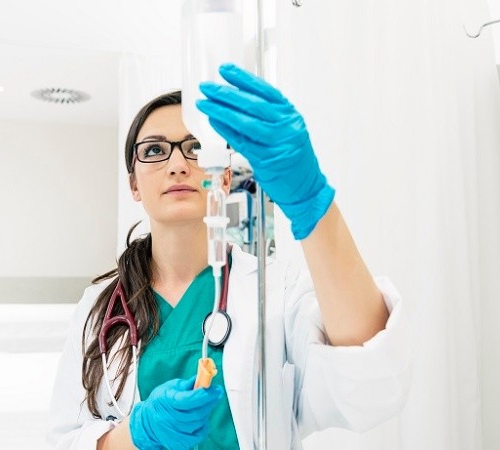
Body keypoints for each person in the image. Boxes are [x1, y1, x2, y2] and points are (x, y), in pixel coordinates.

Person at [47, 64, 411, 450]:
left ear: (223, 176)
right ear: (134, 185)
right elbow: (64, 441)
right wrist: (136, 434)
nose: (177, 165)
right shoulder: (98, 309)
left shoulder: (275, 290)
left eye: (196, 148)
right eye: (154, 150)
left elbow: (370, 386)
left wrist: (311, 203)